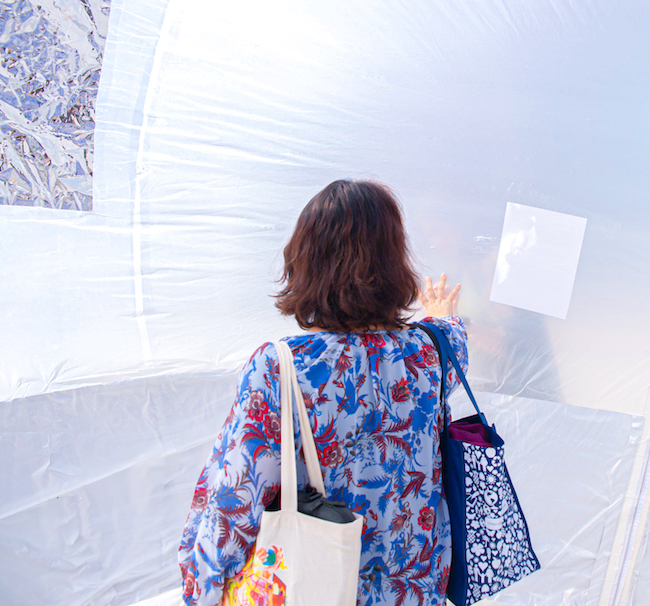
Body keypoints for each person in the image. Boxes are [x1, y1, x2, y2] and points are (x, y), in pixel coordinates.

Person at [178, 179, 466, 606]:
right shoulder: (433, 354)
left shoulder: (282, 367)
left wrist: (200, 589)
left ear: (305, 259)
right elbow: (451, 334)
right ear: (395, 262)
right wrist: (441, 317)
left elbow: (232, 504)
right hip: (415, 593)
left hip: (316, 590)